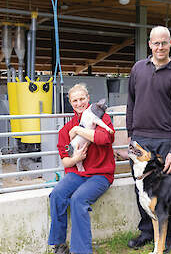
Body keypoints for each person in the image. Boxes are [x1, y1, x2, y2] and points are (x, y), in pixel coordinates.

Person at [126, 26, 171, 253]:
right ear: (149, 44)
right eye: (156, 43)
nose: (160, 47)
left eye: (164, 43)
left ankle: (167, 237)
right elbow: (131, 103)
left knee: (168, 192)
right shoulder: (137, 69)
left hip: (165, 141)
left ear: (170, 43)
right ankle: (147, 232)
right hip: (140, 139)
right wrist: (130, 135)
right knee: (141, 188)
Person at [48, 83, 116, 254]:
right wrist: (76, 158)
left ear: (88, 99)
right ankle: (59, 244)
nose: (79, 103)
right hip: (78, 173)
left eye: (82, 99)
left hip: (101, 174)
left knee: (78, 199)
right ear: (71, 103)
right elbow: (65, 161)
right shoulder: (65, 129)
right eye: (75, 100)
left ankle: (81, 251)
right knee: (57, 194)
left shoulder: (102, 118)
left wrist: (79, 130)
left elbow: (105, 138)